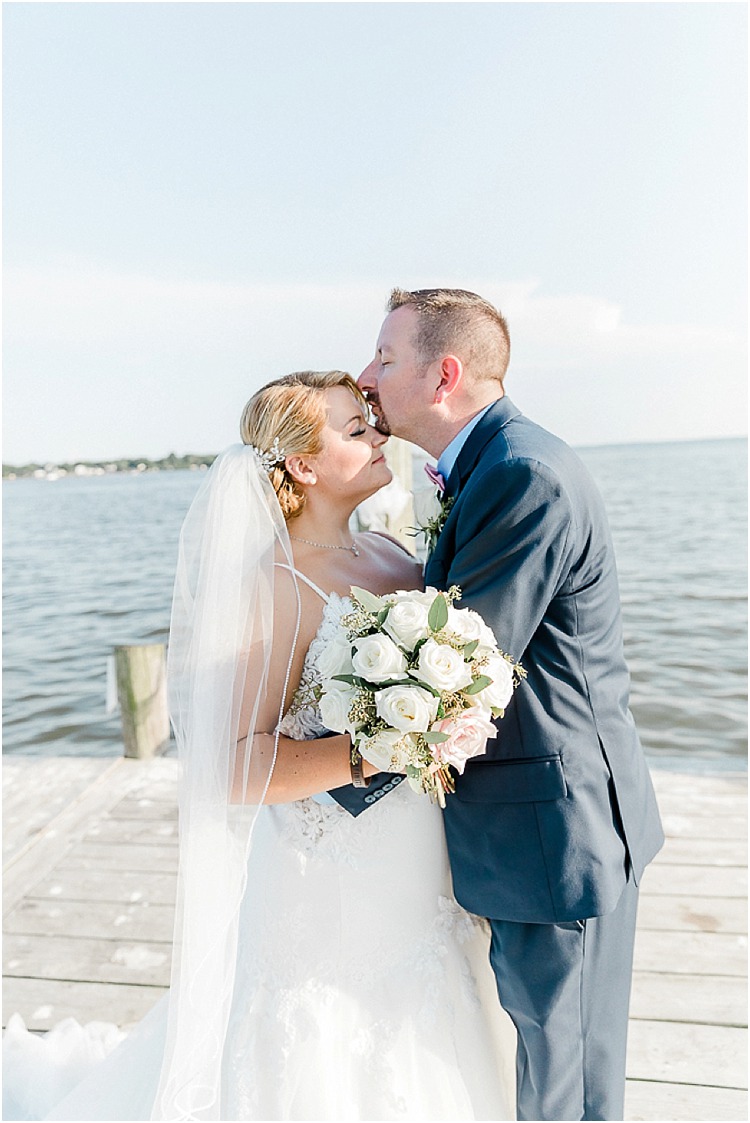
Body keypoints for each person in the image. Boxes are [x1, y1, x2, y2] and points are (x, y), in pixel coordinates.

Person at [3, 370, 516, 1122]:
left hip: (420, 855)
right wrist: (369, 750)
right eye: (355, 429)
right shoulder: (270, 584)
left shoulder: (390, 552)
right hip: (330, 873)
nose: (380, 436)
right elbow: (234, 763)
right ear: (303, 465)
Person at [354, 289, 665, 1122]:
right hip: (530, 824)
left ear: (443, 372)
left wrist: (325, 779)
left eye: (384, 357)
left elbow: (455, 663)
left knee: (567, 1080)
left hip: (558, 833)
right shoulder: (490, 464)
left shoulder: (520, 473)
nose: (365, 375)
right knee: (546, 1056)